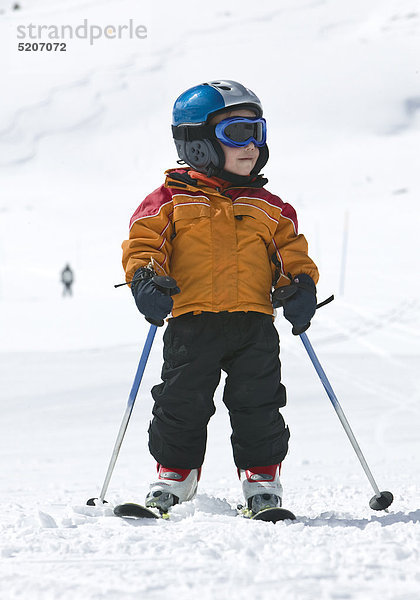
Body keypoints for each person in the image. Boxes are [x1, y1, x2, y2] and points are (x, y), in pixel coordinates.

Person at [121, 80, 319, 515]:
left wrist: (301, 286)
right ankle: (175, 476)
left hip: (253, 323)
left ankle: (261, 480)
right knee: (179, 401)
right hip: (192, 321)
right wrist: (145, 280)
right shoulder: (170, 200)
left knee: (260, 402)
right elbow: (144, 244)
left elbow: (291, 252)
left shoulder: (271, 207)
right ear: (197, 144)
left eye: (258, 131)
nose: (252, 145)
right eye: (237, 134)